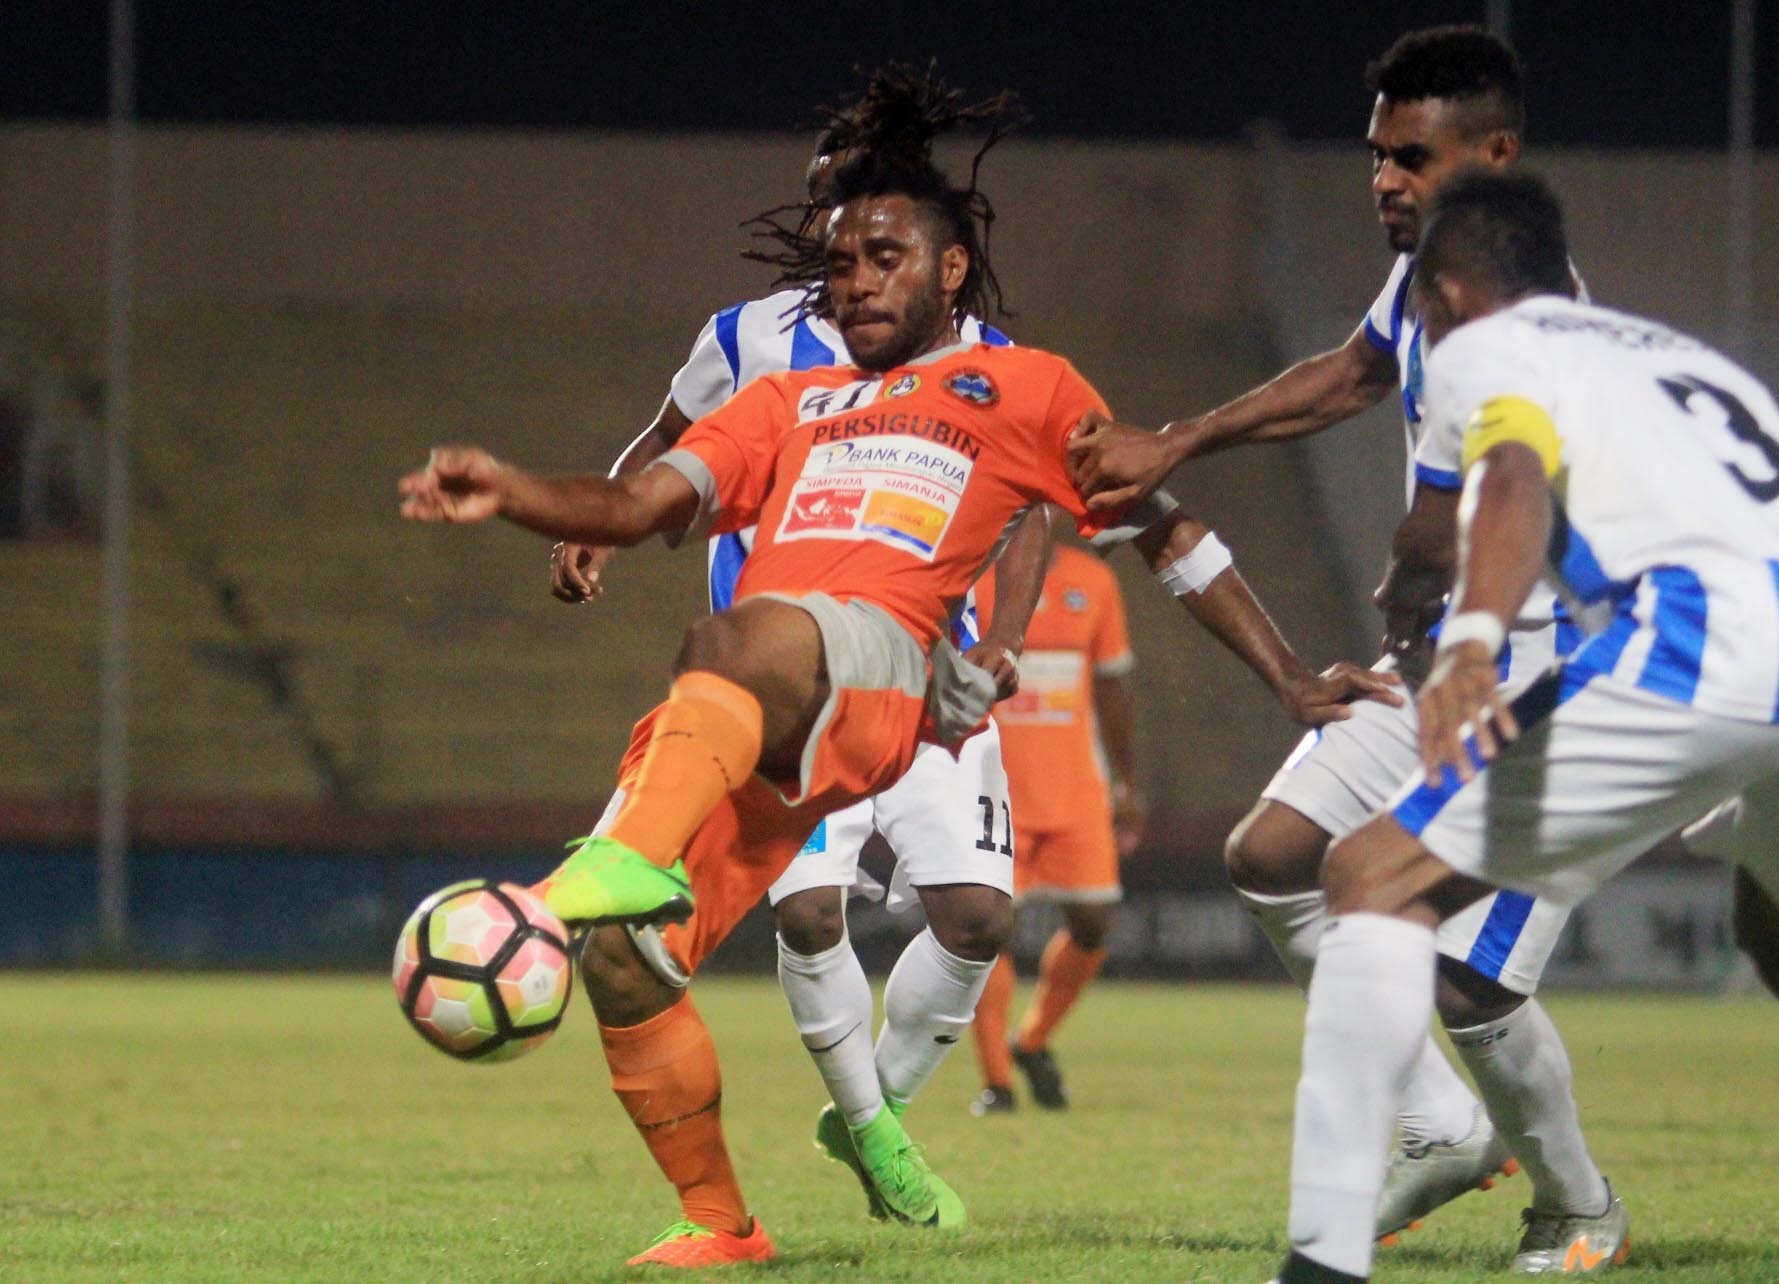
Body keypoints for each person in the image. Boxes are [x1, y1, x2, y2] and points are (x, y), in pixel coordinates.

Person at [400, 73, 1390, 1270]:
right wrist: (512, 494)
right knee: (624, 964)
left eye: (885, 257)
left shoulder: (1021, 386)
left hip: (885, 676)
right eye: (842, 263)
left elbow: (1165, 529)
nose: (856, 280)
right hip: (761, 710)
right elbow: (635, 500)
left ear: (951, 270)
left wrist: (1286, 677)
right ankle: (723, 1223)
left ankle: (608, 884)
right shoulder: (782, 401)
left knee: (752, 643)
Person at [1271, 166, 1779, 1284]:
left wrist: (1468, 641)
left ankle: (1317, 1267)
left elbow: (1511, 477)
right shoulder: (1686, 359)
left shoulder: (1476, 346)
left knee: (1370, 876)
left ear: (1448, 291)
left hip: (1701, 644)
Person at [1066, 25, 1615, 1261]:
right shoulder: (1428, 276)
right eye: (1376, 156)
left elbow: (1431, 532)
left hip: (1553, 680)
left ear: (1496, 154)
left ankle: (1580, 1202)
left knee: (1470, 987)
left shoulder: (1513, 308)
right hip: (1446, 667)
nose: (1383, 181)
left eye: (1411, 158)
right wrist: (1180, 440)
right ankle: (1437, 1130)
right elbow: (1353, 374)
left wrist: (1412, 602)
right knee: (1271, 856)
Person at [548, 73, 1048, 1233]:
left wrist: (1007, 639)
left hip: (930, 669)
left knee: (977, 917)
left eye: (870, 221)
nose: (844, 245)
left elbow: (1030, 506)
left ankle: (873, 1111)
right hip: (785, 680)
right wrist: (597, 521)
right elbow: (669, 439)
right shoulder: (750, 339)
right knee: (811, 914)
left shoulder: (980, 349)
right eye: (830, 220)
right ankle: (872, 1137)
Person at [968, 534, 1142, 1114]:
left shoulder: (1093, 581)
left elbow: (1113, 687)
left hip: (1075, 790)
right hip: (996, 789)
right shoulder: (973, 575)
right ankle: (996, 1083)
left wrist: (1127, 784)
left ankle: (1032, 1039)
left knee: (1093, 922)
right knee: (990, 931)